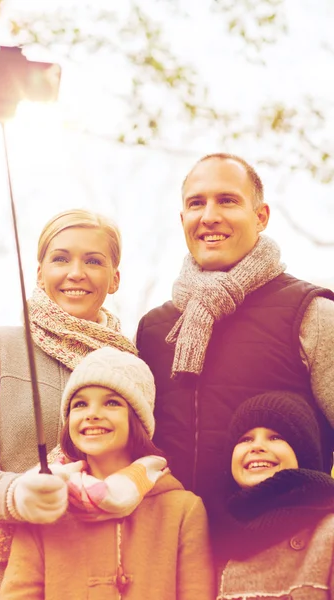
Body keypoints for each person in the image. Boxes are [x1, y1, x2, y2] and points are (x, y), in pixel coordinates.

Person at [0, 209, 138, 600]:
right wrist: (15, 494)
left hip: (79, 576)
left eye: (93, 260)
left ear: (114, 278)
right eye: (61, 259)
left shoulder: (132, 371)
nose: (76, 272)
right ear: (40, 273)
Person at [136, 152, 334, 525]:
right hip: (173, 555)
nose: (209, 215)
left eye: (227, 200)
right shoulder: (153, 329)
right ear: (183, 219)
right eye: (197, 203)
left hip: (281, 557)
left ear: (261, 217)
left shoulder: (310, 312)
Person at [0, 347, 215, 600]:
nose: (92, 414)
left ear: (138, 419)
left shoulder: (183, 509)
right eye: (80, 404)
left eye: (112, 402)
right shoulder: (45, 502)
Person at [217, 391, 334, 599]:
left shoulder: (328, 531)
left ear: (303, 453)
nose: (257, 447)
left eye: (275, 437)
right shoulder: (215, 534)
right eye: (245, 439)